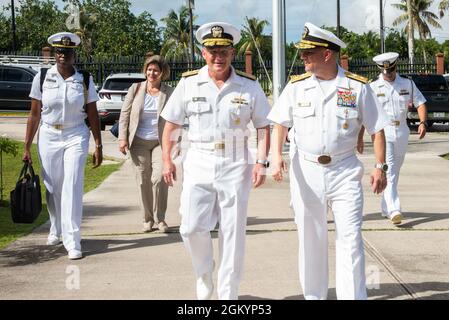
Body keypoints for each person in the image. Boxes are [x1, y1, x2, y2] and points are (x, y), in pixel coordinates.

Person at [268, 22, 389, 300]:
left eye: (308, 53)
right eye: (302, 53)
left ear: (327, 54)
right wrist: (276, 157)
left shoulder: (357, 87)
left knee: (350, 238)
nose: (303, 58)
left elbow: (377, 128)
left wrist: (380, 166)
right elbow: (279, 124)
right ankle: (314, 296)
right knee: (311, 238)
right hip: (306, 170)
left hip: (344, 170)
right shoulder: (297, 87)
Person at [160, 22, 271, 300]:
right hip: (198, 157)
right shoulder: (188, 83)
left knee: (233, 231)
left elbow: (263, 126)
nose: (217, 56)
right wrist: (167, 160)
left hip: (236, 160)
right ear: (203, 53)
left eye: (223, 50)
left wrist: (261, 161)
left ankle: (228, 294)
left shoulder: (249, 85)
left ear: (232, 52)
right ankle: (203, 271)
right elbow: (171, 125)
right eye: (212, 50)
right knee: (190, 226)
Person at [23, 32, 102, 260]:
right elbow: (34, 114)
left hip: (76, 133)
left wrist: (98, 144)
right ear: (55, 54)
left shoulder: (84, 79)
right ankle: (56, 226)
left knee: (72, 184)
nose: (62, 56)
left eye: (67, 52)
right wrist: (27, 146)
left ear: (73, 54)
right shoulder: (42, 77)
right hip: (49, 134)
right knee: (53, 186)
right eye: (59, 51)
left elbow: (93, 114)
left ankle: (72, 239)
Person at [357, 52, 427, 225]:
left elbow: (420, 102)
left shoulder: (407, 83)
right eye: (385, 71)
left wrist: (423, 122)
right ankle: (394, 209)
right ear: (381, 69)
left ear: (395, 67)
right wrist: (359, 137)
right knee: (389, 169)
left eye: (391, 70)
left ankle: (385, 208)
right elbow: (364, 115)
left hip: (402, 130)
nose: (389, 74)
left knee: (394, 170)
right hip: (383, 132)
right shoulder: (372, 87)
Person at [118, 54, 173, 233]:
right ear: (145, 71)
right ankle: (148, 219)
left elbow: (176, 118)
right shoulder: (136, 89)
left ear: (162, 72)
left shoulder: (169, 92)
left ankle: (161, 219)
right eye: (149, 70)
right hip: (138, 142)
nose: (152, 73)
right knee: (143, 181)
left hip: (160, 142)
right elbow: (125, 114)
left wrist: (175, 142)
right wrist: (122, 138)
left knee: (159, 178)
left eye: (156, 70)